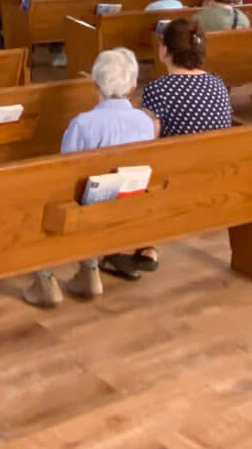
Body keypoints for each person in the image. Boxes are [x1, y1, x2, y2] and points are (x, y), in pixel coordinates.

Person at [100, 14, 232, 281]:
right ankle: (146, 248)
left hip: (177, 178)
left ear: (165, 51)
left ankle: (136, 245)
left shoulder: (159, 90)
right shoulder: (218, 84)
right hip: (217, 171)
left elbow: (149, 142)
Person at [25, 48, 156, 309]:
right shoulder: (144, 121)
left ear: (94, 83)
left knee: (44, 196)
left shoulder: (83, 124)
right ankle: (89, 269)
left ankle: (45, 279)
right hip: (129, 204)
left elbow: (65, 177)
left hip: (86, 212)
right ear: (132, 87)